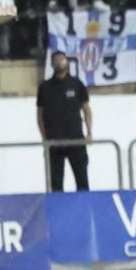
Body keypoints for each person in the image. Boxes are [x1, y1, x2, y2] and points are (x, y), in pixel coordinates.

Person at [36, 52, 92, 192]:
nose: (58, 62)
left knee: (82, 181)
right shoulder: (45, 87)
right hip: (54, 142)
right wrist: (44, 138)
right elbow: (40, 114)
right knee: (56, 185)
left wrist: (89, 132)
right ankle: (58, 213)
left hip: (75, 140)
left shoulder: (77, 84)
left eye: (61, 59)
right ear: (51, 64)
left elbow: (86, 109)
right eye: (55, 60)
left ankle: (85, 211)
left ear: (67, 62)